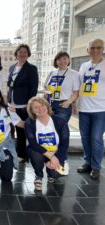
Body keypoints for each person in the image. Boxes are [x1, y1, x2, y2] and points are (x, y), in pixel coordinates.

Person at [25, 97, 69, 191]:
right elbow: (32, 143)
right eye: (36, 107)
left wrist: (56, 158)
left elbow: (65, 144)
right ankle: (39, 175)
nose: (40, 109)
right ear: (32, 111)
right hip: (40, 151)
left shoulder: (60, 121)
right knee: (35, 154)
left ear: (47, 106)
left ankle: (52, 171)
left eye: (42, 105)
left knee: (55, 175)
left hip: (56, 152)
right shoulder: (30, 122)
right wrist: (50, 156)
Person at [77, 39, 105, 180]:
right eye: (92, 47)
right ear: (88, 50)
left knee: (96, 139)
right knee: (85, 138)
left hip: (100, 110)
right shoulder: (83, 66)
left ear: (103, 49)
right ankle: (87, 162)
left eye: (98, 47)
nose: (95, 50)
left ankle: (96, 167)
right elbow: (80, 86)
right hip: (84, 109)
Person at [7, 44, 39, 161]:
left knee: (21, 131)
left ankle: (22, 155)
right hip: (11, 104)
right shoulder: (12, 67)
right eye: (20, 52)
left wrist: (29, 105)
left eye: (25, 52)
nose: (22, 54)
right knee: (11, 129)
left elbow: (33, 88)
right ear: (17, 53)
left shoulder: (31, 68)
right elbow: (10, 85)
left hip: (23, 105)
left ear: (28, 54)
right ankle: (12, 151)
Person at [44, 51, 80, 122]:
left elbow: (76, 92)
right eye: (59, 59)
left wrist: (68, 102)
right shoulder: (52, 73)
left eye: (64, 58)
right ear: (56, 61)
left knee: (60, 128)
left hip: (63, 105)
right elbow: (46, 87)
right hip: (50, 105)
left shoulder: (74, 74)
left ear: (68, 60)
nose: (62, 61)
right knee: (51, 128)